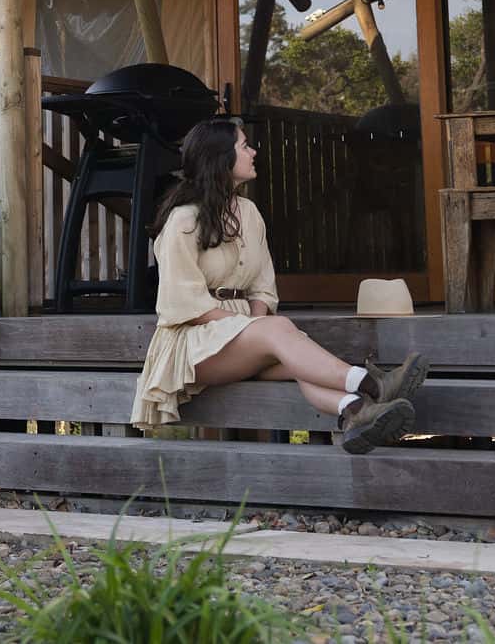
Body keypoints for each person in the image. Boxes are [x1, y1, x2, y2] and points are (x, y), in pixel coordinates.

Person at [131, 117, 429, 452]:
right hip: (193, 343)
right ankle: (374, 385)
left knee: (296, 356)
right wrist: (253, 328)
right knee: (280, 332)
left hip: (243, 334)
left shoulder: (249, 212)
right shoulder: (183, 220)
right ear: (221, 158)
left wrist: (256, 325)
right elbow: (182, 303)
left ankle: (355, 412)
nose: (254, 152)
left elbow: (263, 287)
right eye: (245, 146)